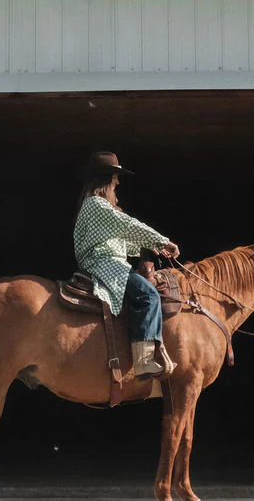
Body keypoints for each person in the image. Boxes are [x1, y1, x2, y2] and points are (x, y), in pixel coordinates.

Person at [73, 151, 180, 379]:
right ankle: (143, 362)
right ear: (106, 179)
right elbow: (128, 225)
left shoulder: (93, 207)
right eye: (115, 177)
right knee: (148, 294)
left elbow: (119, 241)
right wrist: (162, 240)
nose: (118, 182)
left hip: (105, 259)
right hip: (104, 263)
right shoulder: (97, 205)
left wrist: (152, 247)